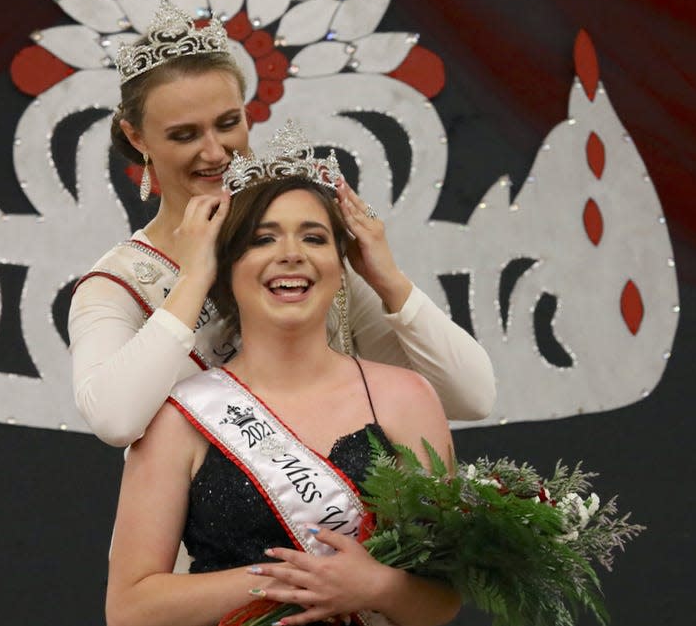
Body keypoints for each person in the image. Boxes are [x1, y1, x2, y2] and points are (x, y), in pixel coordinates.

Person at [68, 1, 494, 452]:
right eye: (185, 135)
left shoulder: (307, 248)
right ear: (137, 138)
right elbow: (114, 420)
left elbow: (472, 397)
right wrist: (193, 282)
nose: (215, 152)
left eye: (228, 124)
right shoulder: (119, 283)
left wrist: (388, 280)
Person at [104, 139, 460, 626]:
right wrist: (290, 580)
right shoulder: (178, 417)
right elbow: (130, 609)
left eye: (314, 238)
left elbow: (442, 602)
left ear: (341, 267)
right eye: (262, 239)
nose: (291, 254)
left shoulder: (406, 398)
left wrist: (374, 586)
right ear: (226, 270)